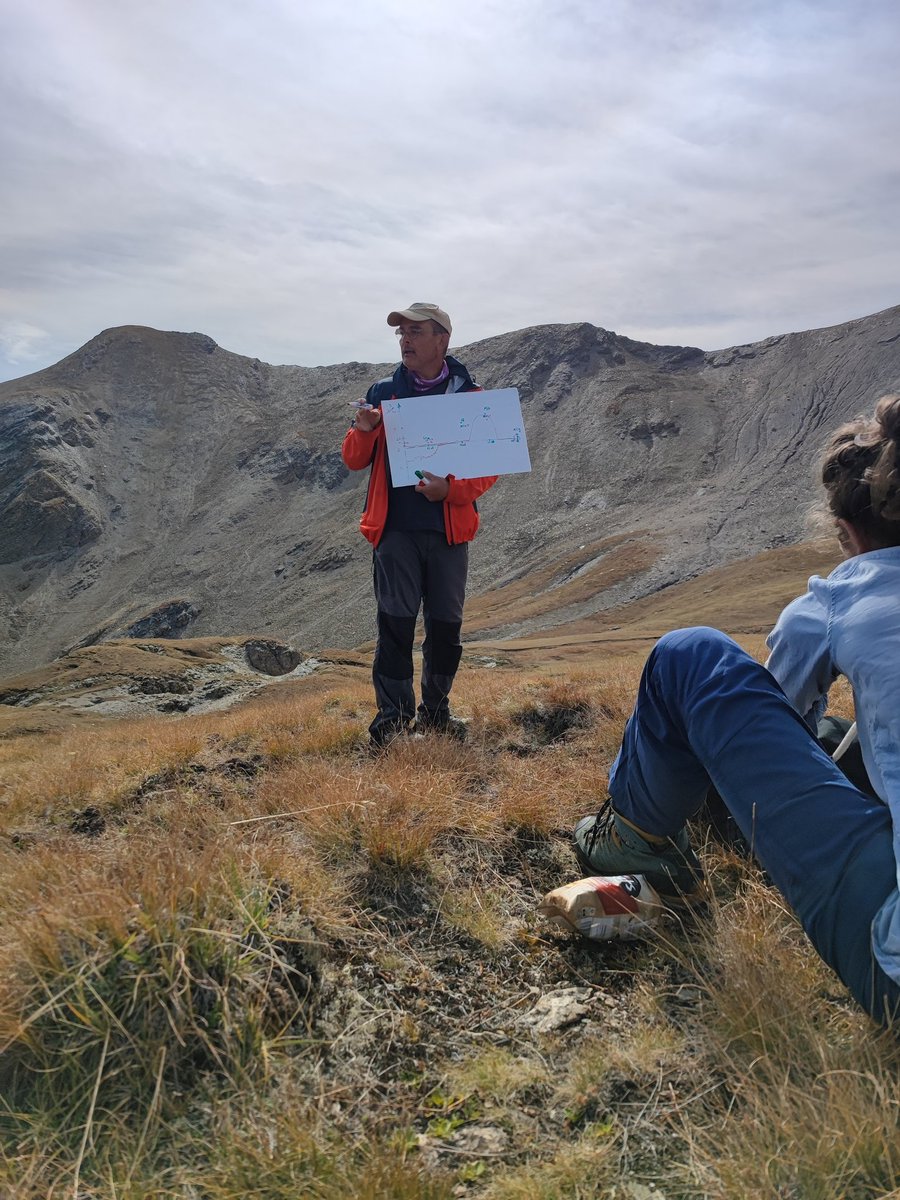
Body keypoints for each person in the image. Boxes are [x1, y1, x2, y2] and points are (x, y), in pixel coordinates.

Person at [573, 394, 900, 1025]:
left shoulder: (840, 598)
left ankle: (637, 843)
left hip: (890, 963)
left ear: (849, 531)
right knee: (852, 733)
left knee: (691, 654)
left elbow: (775, 716)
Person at [341, 302, 497, 747]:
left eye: (416, 332)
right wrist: (365, 428)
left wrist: (449, 492)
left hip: (449, 533)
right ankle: (391, 723)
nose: (406, 340)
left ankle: (435, 714)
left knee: (446, 628)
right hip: (394, 532)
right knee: (395, 625)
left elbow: (487, 468)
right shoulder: (384, 390)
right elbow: (354, 460)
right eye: (401, 334)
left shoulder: (471, 397)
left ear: (442, 339)